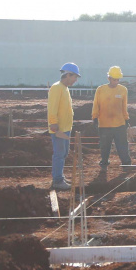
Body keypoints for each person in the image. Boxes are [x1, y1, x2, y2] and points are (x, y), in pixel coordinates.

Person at [92, 66, 132, 169]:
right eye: (114, 79)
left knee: (122, 145)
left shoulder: (123, 90)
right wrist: (95, 117)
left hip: (119, 124)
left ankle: (126, 163)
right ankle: (104, 163)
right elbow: (96, 104)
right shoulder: (100, 90)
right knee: (105, 146)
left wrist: (126, 118)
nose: (116, 81)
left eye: (118, 79)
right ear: (109, 78)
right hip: (104, 124)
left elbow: (124, 106)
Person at [48, 62, 80, 190]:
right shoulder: (56, 88)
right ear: (68, 74)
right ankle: (57, 180)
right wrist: (54, 124)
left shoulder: (64, 88)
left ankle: (59, 176)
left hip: (66, 128)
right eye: (74, 77)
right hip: (59, 128)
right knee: (59, 154)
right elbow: (52, 108)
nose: (75, 80)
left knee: (64, 153)